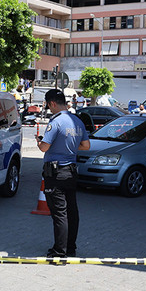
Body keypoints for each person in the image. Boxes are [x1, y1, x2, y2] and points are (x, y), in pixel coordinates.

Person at [36, 89, 90, 258]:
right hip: (71, 172)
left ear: (52, 103)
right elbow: (86, 146)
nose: (49, 109)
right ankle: (71, 247)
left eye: (48, 106)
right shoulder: (77, 121)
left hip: (56, 172)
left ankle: (60, 251)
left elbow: (45, 147)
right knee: (72, 212)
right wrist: (71, 148)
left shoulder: (56, 122)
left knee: (60, 213)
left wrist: (39, 142)